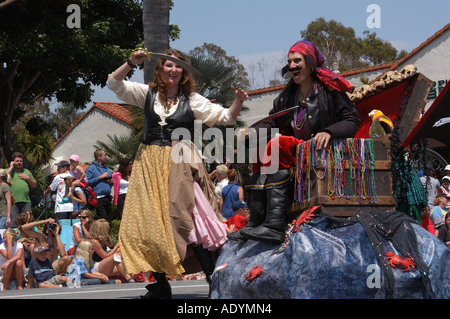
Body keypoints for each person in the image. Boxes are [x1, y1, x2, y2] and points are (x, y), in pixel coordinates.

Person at [107, 48, 248, 298]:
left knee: (191, 219)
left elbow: (225, 117)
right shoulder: (147, 93)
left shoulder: (192, 99)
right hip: (149, 164)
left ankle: (214, 281)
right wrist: (131, 62)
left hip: (179, 161)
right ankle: (161, 286)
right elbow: (114, 83)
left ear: (183, 72)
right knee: (151, 223)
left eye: (178, 66)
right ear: (161, 69)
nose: (173, 70)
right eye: (168, 65)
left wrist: (238, 101)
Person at [229, 40, 360, 244]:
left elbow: (352, 121)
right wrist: (251, 133)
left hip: (323, 154)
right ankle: (256, 221)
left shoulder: (329, 90)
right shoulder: (287, 95)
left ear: (310, 62)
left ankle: (274, 225)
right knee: (260, 148)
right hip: (295, 157)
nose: (291, 66)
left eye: (297, 60)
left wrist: (329, 132)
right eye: (289, 61)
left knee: (277, 145)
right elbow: (272, 121)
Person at [6, 152, 37, 228]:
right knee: (14, 223)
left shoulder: (26, 172)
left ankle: (26, 239)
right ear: (13, 162)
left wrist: (28, 178)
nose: (19, 163)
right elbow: (2, 177)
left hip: (26, 202)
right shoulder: (9, 171)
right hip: (13, 202)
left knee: (28, 223)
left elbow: (34, 185)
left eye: (21, 161)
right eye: (17, 161)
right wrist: (10, 168)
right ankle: (15, 239)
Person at [86, 149, 113, 222]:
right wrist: (100, 177)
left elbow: (111, 181)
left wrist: (111, 181)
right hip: (98, 198)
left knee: (108, 219)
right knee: (102, 218)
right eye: (105, 155)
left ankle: (107, 233)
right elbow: (87, 182)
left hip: (107, 197)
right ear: (99, 156)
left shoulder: (106, 168)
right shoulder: (91, 168)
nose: (106, 157)